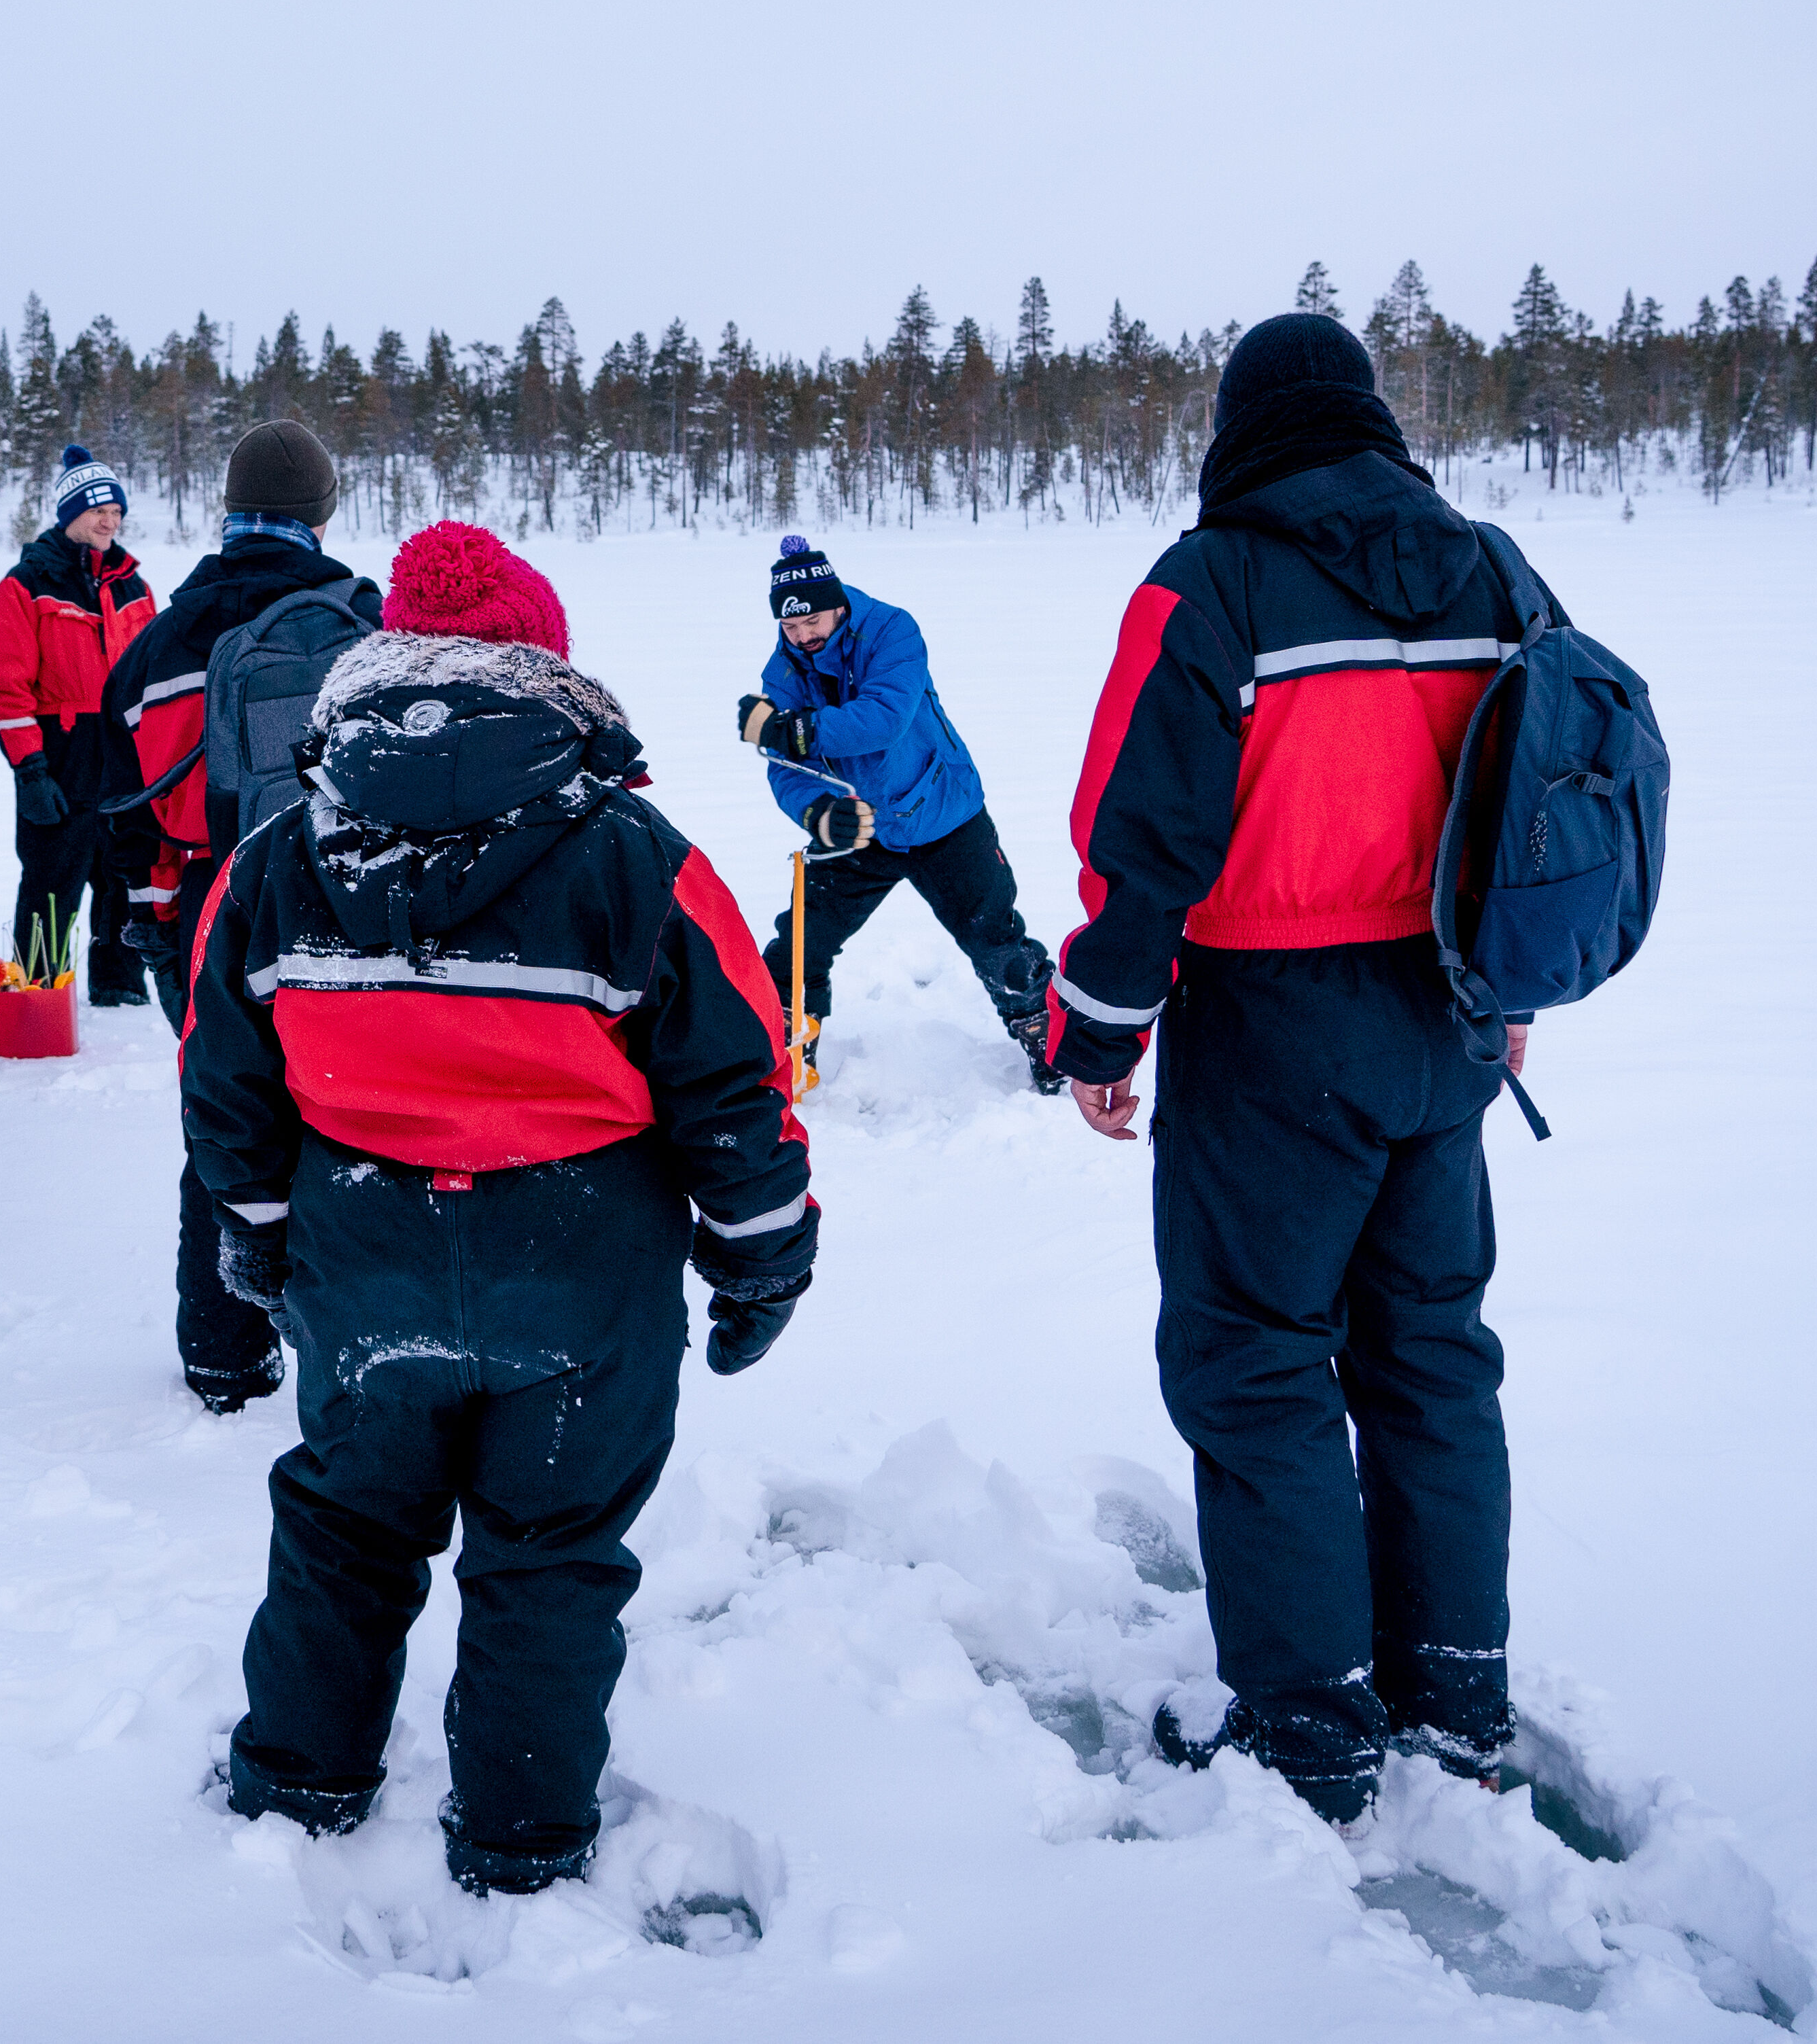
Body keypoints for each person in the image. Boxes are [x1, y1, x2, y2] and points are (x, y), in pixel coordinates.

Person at [181, 521, 815, 1896]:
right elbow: (733, 1075)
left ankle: (301, 1780)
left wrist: (255, 1225)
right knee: (551, 1545)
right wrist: (761, 1256)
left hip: (361, 1246)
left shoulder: (281, 852)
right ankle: (522, 1839)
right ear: (543, 664)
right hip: (580, 1259)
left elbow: (223, 1073)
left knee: (348, 1522)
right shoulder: (634, 851)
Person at [1050, 310, 1559, 1830]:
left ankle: (1311, 1730)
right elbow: (1553, 790)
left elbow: (1143, 833)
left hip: (1273, 1023)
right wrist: (1515, 980)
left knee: (1259, 1362)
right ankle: (1455, 1689)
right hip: (1449, 1018)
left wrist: (1096, 1027)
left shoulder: (1211, 582)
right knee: (1432, 1355)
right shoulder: (1493, 567)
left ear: (1239, 429)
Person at [99, 419, 381, 1409]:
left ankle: (222, 1354)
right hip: (339, 910)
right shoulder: (362, 625)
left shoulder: (157, 642)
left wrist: (147, 919)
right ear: (319, 513)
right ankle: (352, 1341)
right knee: (348, 1122)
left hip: (204, 916)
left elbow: (119, 808)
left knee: (222, 1125)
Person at [736, 535, 1060, 1091]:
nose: (804, 637)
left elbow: (885, 717)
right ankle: (787, 1052)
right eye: (791, 628)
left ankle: (1051, 1039)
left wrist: (800, 730)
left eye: (813, 621)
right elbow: (781, 765)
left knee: (996, 939)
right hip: (859, 828)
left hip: (943, 815)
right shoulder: (784, 673)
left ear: (838, 604)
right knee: (798, 945)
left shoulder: (893, 631)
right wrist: (817, 811)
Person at [0, 444, 158, 1007]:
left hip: (122, 752)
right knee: (53, 878)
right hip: (61, 752)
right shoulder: (25, 584)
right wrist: (30, 769)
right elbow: (5, 688)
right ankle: (38, 988)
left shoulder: (135, 586)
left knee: (124, 873)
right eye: (97, 510)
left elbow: (150, 677)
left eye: (116, 512)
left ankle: (120, 982)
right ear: (69, 514)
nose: (109, 521)